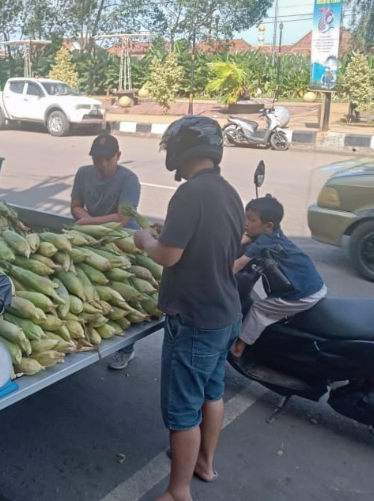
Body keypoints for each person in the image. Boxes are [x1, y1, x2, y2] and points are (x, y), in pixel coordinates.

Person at [133, 116, 244, 501]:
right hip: (226, 312)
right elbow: (211, 242)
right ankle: (205, 464)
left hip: (195, 319)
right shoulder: (228, 191)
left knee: (183, 413)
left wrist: (145, 239)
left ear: (182, 152)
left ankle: (178, 492)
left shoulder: (189, 194)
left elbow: (167, 255)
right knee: (212, 394)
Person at [71, 132, 142, 370]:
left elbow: (122, 218)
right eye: (96, 159)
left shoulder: (129, 179)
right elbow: (75, 206)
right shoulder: (83, 173)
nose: (101, 165)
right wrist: (89, 223)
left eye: (107, 159)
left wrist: (89, 223)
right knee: (93, 288)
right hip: (91, 236)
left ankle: (126, 348)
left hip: (123, 240)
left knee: (124, 292)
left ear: (118, 156)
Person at [230, 196, 326, 358]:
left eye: (251, 219)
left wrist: (213, 275)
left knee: (258, 310)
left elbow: (238, 265)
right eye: (246, 217)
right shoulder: (273, 234)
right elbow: (247, 237)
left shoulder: (264, 242)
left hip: (300, 294)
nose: (246, 223)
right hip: (314, 285)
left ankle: (239, 347)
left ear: (268, 226)